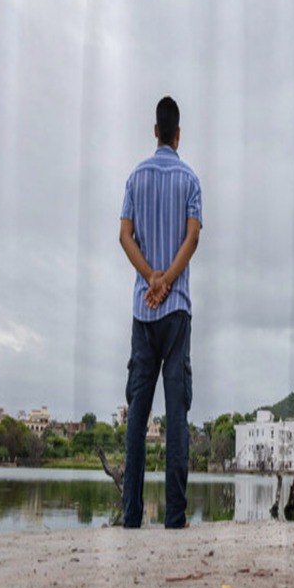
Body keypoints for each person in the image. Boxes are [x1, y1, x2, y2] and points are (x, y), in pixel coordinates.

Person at [119, 96, 202, 528]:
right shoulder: (190, 180)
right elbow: (192, 238)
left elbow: (124, 236)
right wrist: (168, 280)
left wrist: (151, 276)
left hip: (143, 310)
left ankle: (131, 516)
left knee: (138, 412)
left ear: (155, 131)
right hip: (176, 311)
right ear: (178, 134)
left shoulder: (136, 177)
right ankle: (174, 516)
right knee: (177, 414)